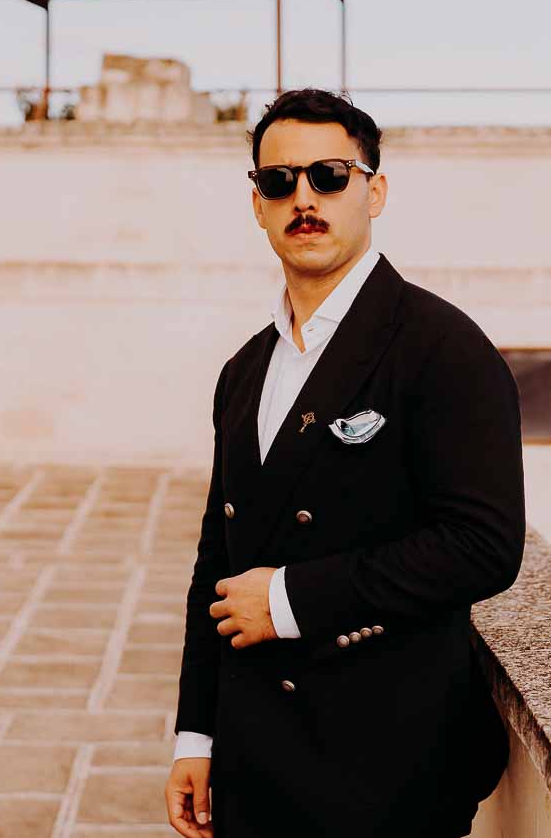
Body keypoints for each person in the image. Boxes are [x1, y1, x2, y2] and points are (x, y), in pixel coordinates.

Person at [165, 88, 526, 838]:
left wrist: (289, 598)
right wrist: (196, 735)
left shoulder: (443, 348)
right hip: (255, 769)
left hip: (387, 771)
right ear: (258, 204)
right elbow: (216, 562)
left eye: (329, 176)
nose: (304, 198)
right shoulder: (243, 370)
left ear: (375, 191)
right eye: (279, 181)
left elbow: (483, 546)